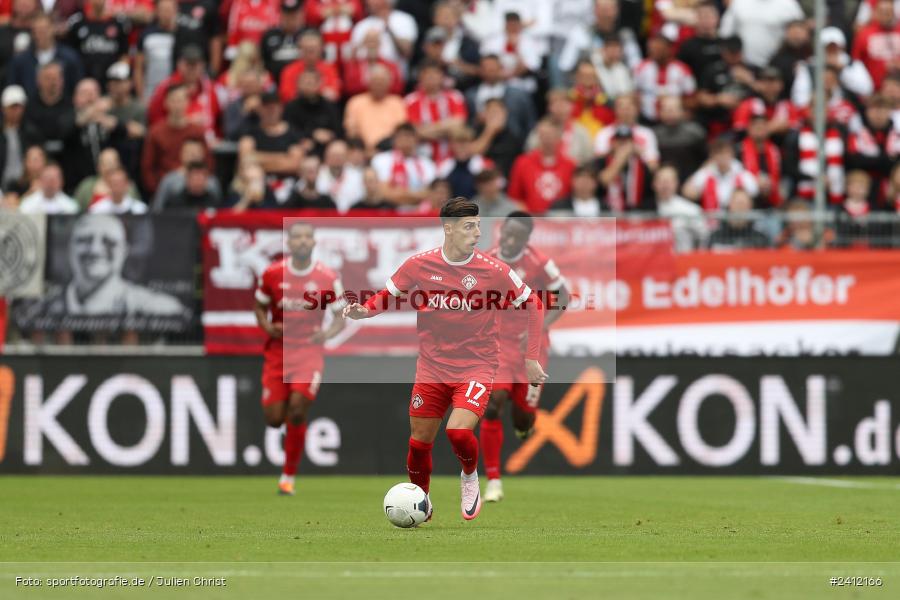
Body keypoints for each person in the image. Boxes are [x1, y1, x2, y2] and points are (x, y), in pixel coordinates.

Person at [343, 197, 548, 521]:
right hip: (432, 366)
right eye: (469, 226)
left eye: (479, 225)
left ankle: (469, 475)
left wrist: (531, 358)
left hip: (477, 365)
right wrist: (364, 310)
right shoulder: (419, 265)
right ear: (448, 229)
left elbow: (534, 304)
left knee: (458, 432)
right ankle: (421, 505)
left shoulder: (493, 270)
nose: (477, 232)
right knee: (418, 444)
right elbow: (387, 296)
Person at [481, 211, 568, 503]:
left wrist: (539, 327)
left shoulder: (539, 263)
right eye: (505, 232)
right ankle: (493, 480)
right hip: (499, 345)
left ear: (526, 238)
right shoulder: (487, 259)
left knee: (523, 418)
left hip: (533, 346)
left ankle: (523, 428)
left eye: (515, 235)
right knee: (493, 403)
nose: (508, 238)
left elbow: (564, 296)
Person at [254, 221, 346, 496]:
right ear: (289, 243)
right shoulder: (272, 274)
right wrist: (267, 326)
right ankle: (288, 464)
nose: (303, 241)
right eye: (298, 237)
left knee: (297, 410)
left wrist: (326, 334)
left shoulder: (327, 277)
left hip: (308, 351)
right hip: (277, 351)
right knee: (273, 419)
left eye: (308, 236)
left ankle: (288, 476)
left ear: (314, 242)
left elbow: (341, 317)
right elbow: (259, 306)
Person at [44, 214, 186, 316]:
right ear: (70, 247)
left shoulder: (159, 307)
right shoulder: (40, 310)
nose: (95, 250)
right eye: (84, 240)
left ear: (125, 251)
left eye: (109, 242)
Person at [141, 83, 207, 194]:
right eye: (174, 100)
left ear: (188, 102)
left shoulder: (197, 131)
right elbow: (148, 168)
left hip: (196, 186)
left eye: (181, 100)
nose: (178, 105)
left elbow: (208, 162)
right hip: (166, 188)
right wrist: (157, 188)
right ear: (166, 103)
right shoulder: (156, 133)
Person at [404, 59, 467, 164]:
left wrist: (428, 129)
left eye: (435, 73)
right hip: (422, 159)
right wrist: (447, 129)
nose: (432, 77)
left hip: (452, 158)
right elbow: (415, 132)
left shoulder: (455, 97)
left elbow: (458, 125)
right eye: (428, 74)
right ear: (420, 77)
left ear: (442, 76)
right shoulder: (411, 100)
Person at [507, 119, 575, 214]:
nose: (547, 140)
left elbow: (574, 198)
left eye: (551, 136)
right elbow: (514, 197)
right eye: (543, 135)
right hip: (531, 219)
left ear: (559, 137)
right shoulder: (522, 163)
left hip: (561, 221)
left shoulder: (570, 165)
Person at [342, 63, 407, 154]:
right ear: (368, 82)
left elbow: (402, 131)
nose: (379, 85)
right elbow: (352, 132)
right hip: (363, 152)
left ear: (389, 83)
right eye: (376, 81)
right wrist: (366, 150)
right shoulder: (355, 102)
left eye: (382, 81)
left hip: (392, 151)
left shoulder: (397, 103)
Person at [718, 0, 804, 68]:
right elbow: (725, 33)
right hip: (744, 67)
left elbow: (802, 35)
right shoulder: (738, 2)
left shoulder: (789, 4)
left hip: (778, 67)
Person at [683, 136, 759, 211]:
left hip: (736, 219)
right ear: (712, 156)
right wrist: (703, 168)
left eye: (725, 152)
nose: (722, 157)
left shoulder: (742, 174)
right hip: (712, 219)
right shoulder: (706, 173)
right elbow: (688, 192)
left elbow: (755, 193)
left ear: (732, 154)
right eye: (718, 153)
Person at [370, 122, 436, 206]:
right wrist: (416, 195)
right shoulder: (381, 160)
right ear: (394, 139)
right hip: (390, 213)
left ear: (417, 139)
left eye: (409, 135)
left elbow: (431, 194)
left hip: (419, 214)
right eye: (401, 136)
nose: (406, 139)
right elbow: (384, 193)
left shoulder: (427, 164)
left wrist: (401, 192)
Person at [653, 164, 706, 252]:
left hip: (682, 259)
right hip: (653, 261)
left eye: (668, 181)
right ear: (654, 183)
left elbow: (703, 237)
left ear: (676, 183)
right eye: (661, 181)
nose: (665, 186)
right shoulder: (644, 208)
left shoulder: (690, 209)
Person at [134, 0, 178, 102]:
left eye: (169, 9)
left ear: (176, 10)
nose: (166, 14)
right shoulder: (146, 35)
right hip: (151, 92)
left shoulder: (182, 34)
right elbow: (138, 68)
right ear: (156, 11)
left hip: (176, 94)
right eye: (163, 10)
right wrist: (141, 96)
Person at [0, 84, 41, 191]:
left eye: (19, 107)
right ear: (3, 108)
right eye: (12, 107)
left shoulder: (31, 132)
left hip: (25, 185)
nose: (16, 111)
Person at [852, 0, 900, 89]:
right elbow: (856, 63)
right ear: (875, 13)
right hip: (874, 89)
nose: (886, 15)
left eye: (888, 12)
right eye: (882, 12)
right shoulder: (864, 34)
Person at [260, 0, 308, 82]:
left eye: (294, 15)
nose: (290, 19)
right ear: (280, 15)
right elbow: (263, 62)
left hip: (304, 83)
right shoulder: (269, 36)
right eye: (287, 15)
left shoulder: (310, 34)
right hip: (274, 82)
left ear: (301, 15)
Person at [315, 139, 364, 212]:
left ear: (347, 156)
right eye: (334, 155)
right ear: (326, 157)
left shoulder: (357, 176)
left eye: (340, 155)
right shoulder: (317, 175)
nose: (337, 158)